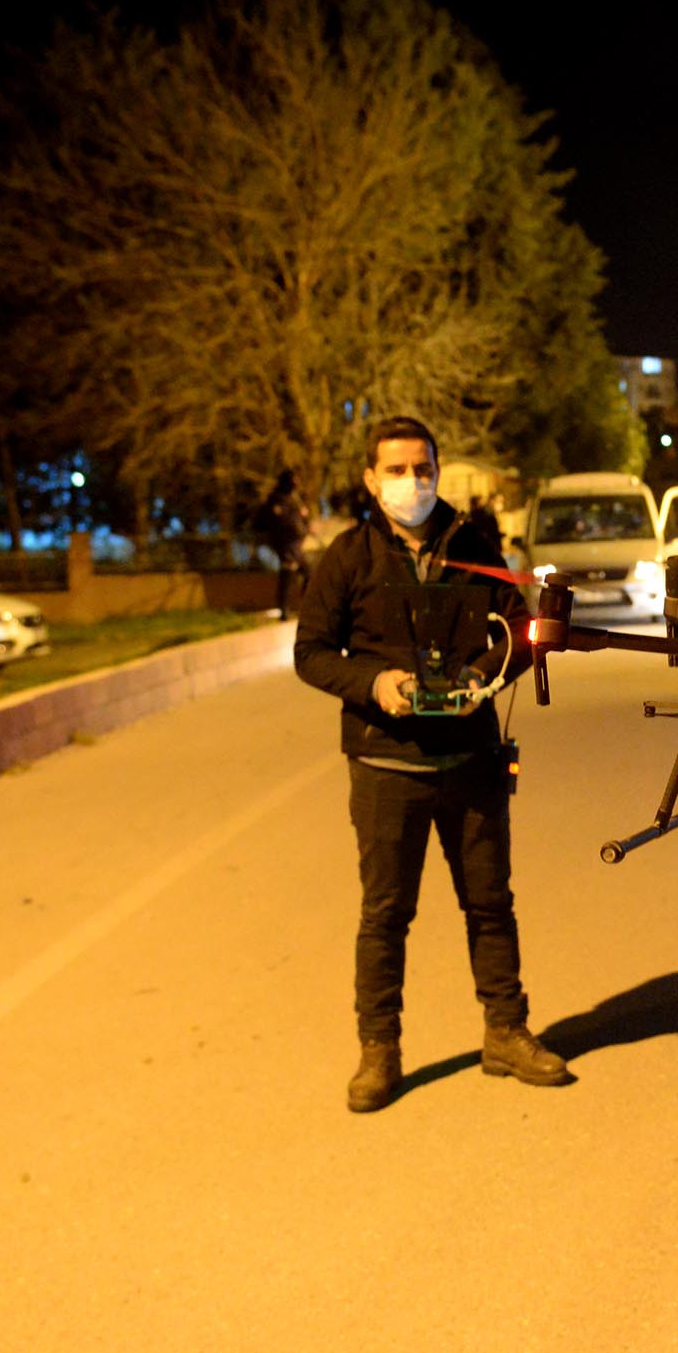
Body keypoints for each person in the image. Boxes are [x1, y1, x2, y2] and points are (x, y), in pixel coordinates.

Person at [294, 417, 571, 1113]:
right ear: (369, 479)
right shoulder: (348, 558)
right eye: (396, 470)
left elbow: (519, 632)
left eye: (422, 469)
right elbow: (312, 652)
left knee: (489, 902)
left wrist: (485, 674)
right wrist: (374, 685)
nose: (411, 483)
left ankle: (506, 1032)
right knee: (386, 912)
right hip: (386, 764)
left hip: (471, 757)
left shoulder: (475, 547)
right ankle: (378, 1051)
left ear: (438, 471)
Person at [255, 470, 313, 620]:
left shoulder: (293, 497)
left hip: (296, 543)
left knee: (306, 574)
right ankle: (285, 610)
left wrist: (305, 524)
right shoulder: (277, 498)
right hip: (286, 544)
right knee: (289, 574)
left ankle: (303, 608)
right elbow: (281, 521)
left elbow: (301, 516)